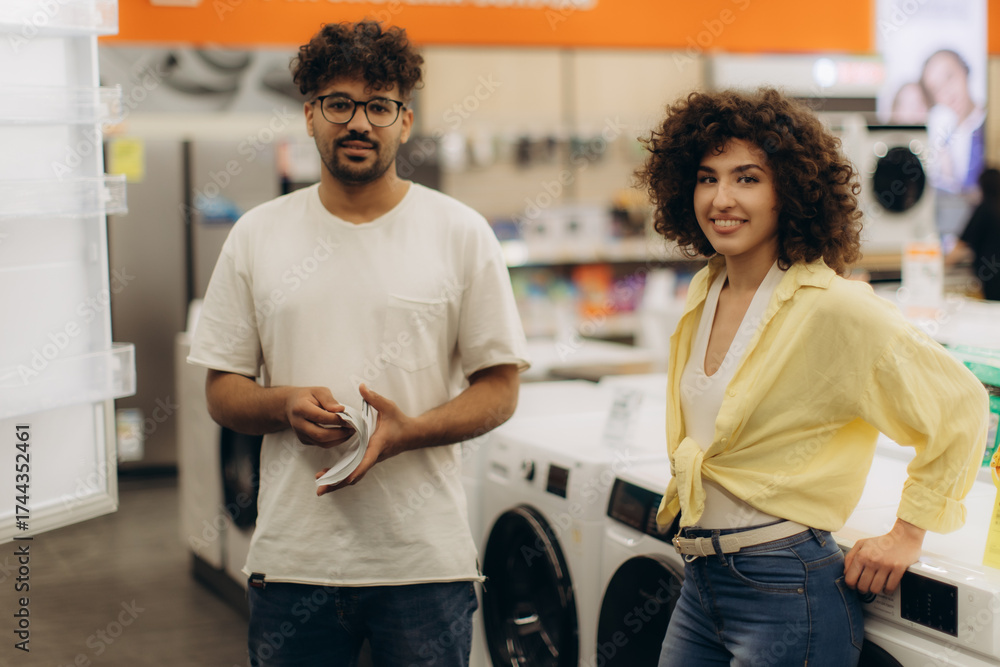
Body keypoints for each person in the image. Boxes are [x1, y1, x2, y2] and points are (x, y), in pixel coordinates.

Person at [187, 20, 529, 667]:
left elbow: (500, 388)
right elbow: (221, 391)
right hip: (294, 561)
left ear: (406, 120)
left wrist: (411, 431)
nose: (359, 123)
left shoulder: (460, 232)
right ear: (310, 114)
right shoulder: (257, 234)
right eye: (339, 104)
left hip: (422, 564)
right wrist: (281, 403)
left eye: (379, 106)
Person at [636, 87, 989, 667]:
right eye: (706, 178)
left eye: (747, 178)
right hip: (699, 581)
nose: (721, 198)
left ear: (790, 191)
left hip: (786, 588)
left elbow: (961, 407)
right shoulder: (706, 289)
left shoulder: (834, 307)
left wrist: (908, 533)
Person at [920, 49, 986, 194]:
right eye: (936, 89)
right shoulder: (939, 139)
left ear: (964, 71)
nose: (947, 92)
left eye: (949, 77)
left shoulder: (991, 124)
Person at [946, 167, 1000, 300]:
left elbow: (963, 244)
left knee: (992, 308)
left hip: (991, 273)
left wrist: (940, 265)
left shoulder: (984, 209)